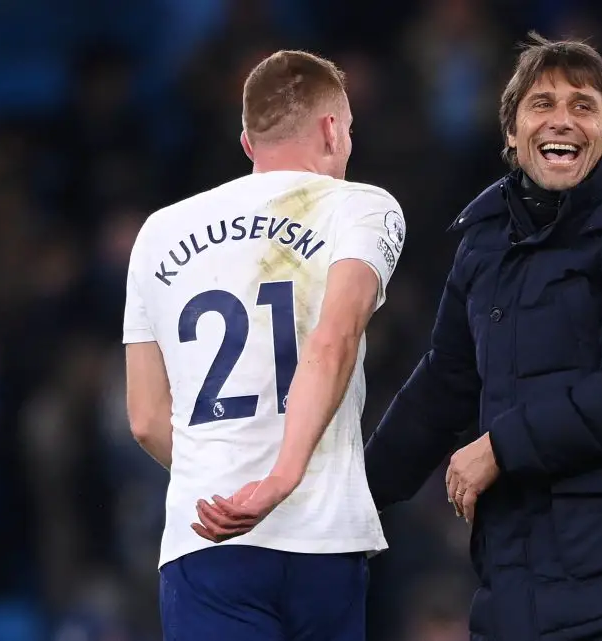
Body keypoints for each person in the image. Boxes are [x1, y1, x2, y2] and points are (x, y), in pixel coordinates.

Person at [363, 32, 602, 640]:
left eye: (583, 106)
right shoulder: (485, 243)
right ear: (511, 134)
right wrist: (355, 495)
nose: (563, 120)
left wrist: (498, 447)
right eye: (542, 104)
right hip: (521, 601)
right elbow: (446, 382)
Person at [122, 49, 405, 641]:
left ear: (248, 142)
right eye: (348, 128)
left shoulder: (158, 232)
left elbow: (147, 419)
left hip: (208, 540)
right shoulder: (361, 207)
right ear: (332, 128)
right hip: (324, 535)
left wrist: (226, 484)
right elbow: (335, 340)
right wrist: (281, 478)